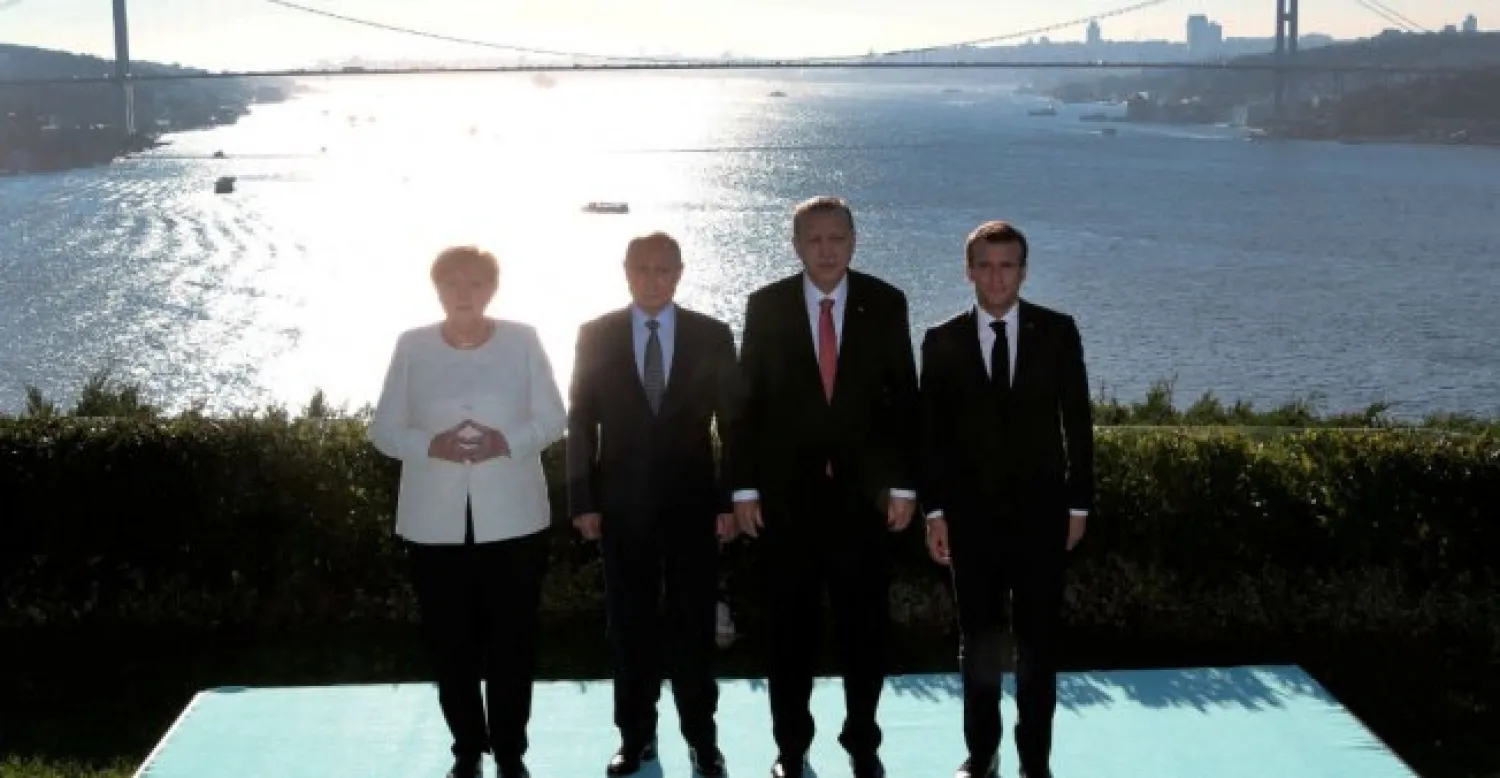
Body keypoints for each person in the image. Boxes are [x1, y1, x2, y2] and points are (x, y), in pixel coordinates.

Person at [727, 196, 920, 778]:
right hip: (787, 506)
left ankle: (862, 742)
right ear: (796, 246)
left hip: (865, 506)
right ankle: (791, 749)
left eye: (837, 238)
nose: (827, 250)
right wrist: (742, 491)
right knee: (789, 637)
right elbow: (744, 406)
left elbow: (903, 402)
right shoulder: (766, 306)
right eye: (815, 239)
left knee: (866, 634)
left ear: (854, 241)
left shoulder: (887, 304)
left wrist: (904, 486)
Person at [368, 245, 567, 778]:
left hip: (516, 522)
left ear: (492, 289)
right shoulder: (411, 346)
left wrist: (509, 440)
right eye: (453, 282)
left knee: (512, 647)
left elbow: (554, 419)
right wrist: (429, 445)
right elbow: (382, 429)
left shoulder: (523, 340)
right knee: (450, 648)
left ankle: (510, 753)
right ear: (437, 288)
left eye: (475, 283)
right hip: (433, 527)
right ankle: (466, 750)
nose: (464, 293)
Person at [917, 221, 1094, 778]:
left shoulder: (1059, 332)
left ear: (1023, 269)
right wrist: (935, 511)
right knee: (980, 646)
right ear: (968, 271)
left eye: (1008, 264)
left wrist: (1079, 505)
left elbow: (1079, 423)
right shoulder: (940, 340)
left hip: (1043, 520)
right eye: (986, 265)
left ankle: (1034, 761)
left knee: (1039, 648)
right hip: (970, 523)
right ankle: (983, 754)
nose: (997, 276)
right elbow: (931, 436)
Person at [566, 232, 740, 777]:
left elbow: (732, 426)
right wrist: (583, 499)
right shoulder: (595, 334)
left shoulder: (712, 335)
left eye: (664, 269)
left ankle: (702, 741)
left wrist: (730, 500)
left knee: (693, 631)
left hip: (693, 508)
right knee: (630, 630)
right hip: (620, 510)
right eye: (642, 268)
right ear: (625, 271)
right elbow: (579, 420)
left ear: (680, 273)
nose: (652, 278)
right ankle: (636, 739)